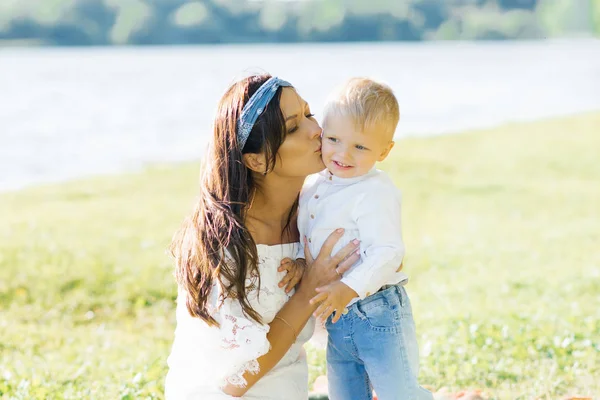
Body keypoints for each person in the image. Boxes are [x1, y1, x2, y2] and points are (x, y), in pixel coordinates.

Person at [164, 74, 361, 399]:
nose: (317, 130)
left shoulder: (315, 212)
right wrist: (308, 288)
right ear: (256, 159)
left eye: (310, 114)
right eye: (294, 127)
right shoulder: (224, 244)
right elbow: (234, 381)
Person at [295, 78, 434, 400]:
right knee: (345, 392)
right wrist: (300, 263)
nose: (343, 153)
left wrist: (348, 287)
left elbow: (388, 251)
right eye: (333, 139)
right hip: (338, 318)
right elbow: (309, 235)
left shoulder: (374, 191)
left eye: (360, 146)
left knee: (398, 391)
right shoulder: (316, 185)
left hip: (375, 311)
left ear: (384, 151)